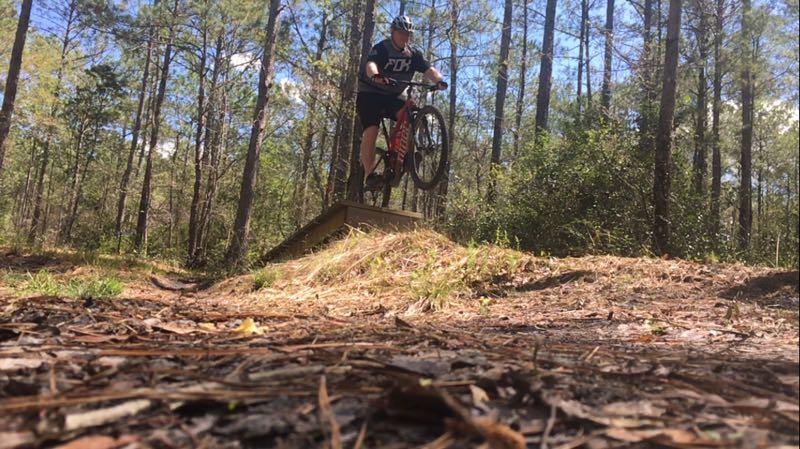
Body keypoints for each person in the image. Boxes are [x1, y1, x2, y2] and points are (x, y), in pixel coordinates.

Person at [356, 15, 447, 190]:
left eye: (408, 34)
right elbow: (370, 65)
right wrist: (376, 76)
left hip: (393, 97)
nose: (405, 37)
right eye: (401, 33)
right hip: (370, 94)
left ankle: (406, 157)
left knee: (411, 115)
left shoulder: (413, 55)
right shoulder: (382, 48)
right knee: (372, 129)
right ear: (393, 32)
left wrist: (439, 81)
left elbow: (429, 69)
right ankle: (369, 174)